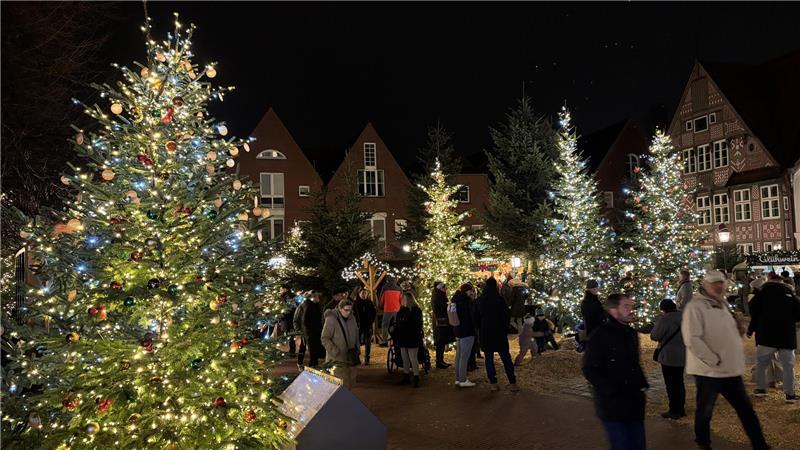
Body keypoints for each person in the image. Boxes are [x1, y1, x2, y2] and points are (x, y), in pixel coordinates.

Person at [683, 270, 769, 450]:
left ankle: (759, 444)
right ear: (705, 284)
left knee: (746, 410)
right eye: (714, 283)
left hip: (730, 370)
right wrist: (713, 360)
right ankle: (703, 444)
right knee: (705, 411)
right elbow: (692, 339)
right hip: (708, 371)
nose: (719, 286)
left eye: (721, 283)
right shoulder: (696, 306)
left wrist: (738, 330)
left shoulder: (722, 304)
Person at [582, 293, 648, 450]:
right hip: (613, 406)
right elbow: (589, 368)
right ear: (613, 310)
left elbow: (634, 363)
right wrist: (610, 390)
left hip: (634, 403)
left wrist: (641, 384)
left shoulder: (631, 333)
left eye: (631, 306)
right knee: (622, 445)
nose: (631, 310)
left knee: (638, 445)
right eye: (626, 306)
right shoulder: (600, 336)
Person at [748, 272, 800, 403]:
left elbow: (753, 311)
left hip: (766, 335)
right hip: (786, 335)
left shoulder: (762, 294)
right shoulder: (789, 293)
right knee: (788, 366)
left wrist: (752, 329)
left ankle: (761, 389)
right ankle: (790, 394)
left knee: (762, 364)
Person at [475, 277, 519, 392]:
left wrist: (480, 328)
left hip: (486, 333)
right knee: (506, 358)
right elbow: (506, 316)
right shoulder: (499, 300)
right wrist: (504, 328)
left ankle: (493, 383)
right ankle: (512, 382)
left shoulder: (480, 300)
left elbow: (476, 318)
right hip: (499, 332)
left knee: (489, 359)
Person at [650, 299, 686, 419]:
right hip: (682, 354)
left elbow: (655, 336)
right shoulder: (684, 316)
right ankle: (681, 408)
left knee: (671, 383)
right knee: (679, 382)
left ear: (663, 309)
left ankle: (674, 410)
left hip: (669, 356)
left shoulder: (665, 319)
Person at [321, 299, 360, 389]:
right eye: (346, 310)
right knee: (338, 385)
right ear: (340, 308)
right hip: (337, 358)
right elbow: (324, 338)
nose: (348, 312)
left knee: (350, 382)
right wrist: (335, 351)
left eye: (350, 310)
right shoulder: (331, 319)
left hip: (350, 356)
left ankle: (346, 400)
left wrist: (357, 348)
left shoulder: (352, 318)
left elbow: (356, 334)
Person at [394, 287, 424, 387]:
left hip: (412, 337)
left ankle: (416, 377)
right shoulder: (401, 311)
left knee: (413, 358)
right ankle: (406, 375)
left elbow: (417, 325)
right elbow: (397, 325)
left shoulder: (416, 311)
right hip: (403, 337)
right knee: (405, 358)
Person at [453, 283, 477, 387]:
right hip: (467, 331)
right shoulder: (466, 302)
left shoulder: (456, 299)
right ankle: (463, 379)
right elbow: (473, 316)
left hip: (458, 330)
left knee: (459, 356)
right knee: (464, 357)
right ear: (467, 291)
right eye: (471, 290)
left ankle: (458, 378)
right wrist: (473, 300)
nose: (472, 292)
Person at [295, 291, 324, 368]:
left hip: (310, 331)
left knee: (310, 348)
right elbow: (298, 319)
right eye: (317, 297)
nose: (319, 298)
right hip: (306, 331)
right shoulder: (305, 306)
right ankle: (301, 363)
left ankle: (312, 363)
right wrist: (299, 331)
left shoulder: (315, 305)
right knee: (304, 348)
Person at [432, 282, 454, 369]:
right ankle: (439, 361)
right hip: (440, 321)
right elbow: (440, 307)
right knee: (440, 341)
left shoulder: (439, 295)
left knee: (441, 341)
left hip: (441, 320)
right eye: (445, 288)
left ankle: (441, 360)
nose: (446, 289)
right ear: (441, 288)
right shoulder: (438, 296)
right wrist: (447, 305)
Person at [353, 288, 377, 366]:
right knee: (357, 342)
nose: (364, 295)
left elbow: (374, 313)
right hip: (358, 326)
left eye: (365, 293)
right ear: (359, 294)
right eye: (362, 293)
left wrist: (371, 321)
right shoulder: (355, 303)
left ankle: (367, 357)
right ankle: (356, 357)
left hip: (367, 325)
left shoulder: (369, 302)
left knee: (368, 342)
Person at [379, 277, 402, 347]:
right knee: (397, 325)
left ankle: (385, 341)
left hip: (388, 309)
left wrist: (381, 306)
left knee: (385, 325)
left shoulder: (385, 288)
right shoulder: (399, 288)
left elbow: (382, 299)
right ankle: (397, 340)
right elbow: (401, 299)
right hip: (397, 309)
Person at [275, 284, 297, 355]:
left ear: (285, 289)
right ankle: (291, 351)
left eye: (281, 290)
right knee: (290, 335)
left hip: (288, 319)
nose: (280, 291)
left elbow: (287, 310)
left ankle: (292, 352)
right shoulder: (289, 296)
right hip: (289, 319)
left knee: (290, 335)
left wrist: (281, 317)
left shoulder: (288, 297)